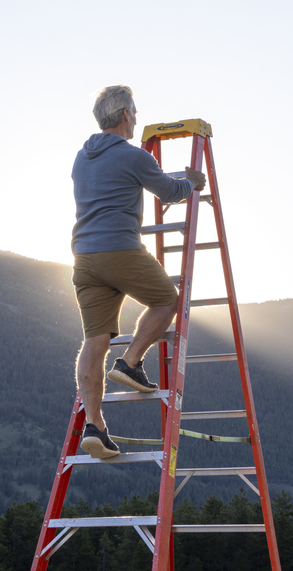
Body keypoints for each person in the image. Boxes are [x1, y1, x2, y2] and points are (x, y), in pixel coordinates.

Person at [70, 85, 206, 459]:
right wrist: (192, 183)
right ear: (126, 114)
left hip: (84, 257)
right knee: (166, 299)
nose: (137, 117)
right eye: (135, 111)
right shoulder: (132, 157)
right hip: (120, 250)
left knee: (94, 341)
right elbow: (169, 192)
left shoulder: (82, 157)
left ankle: (95, 424)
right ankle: (130, 363)